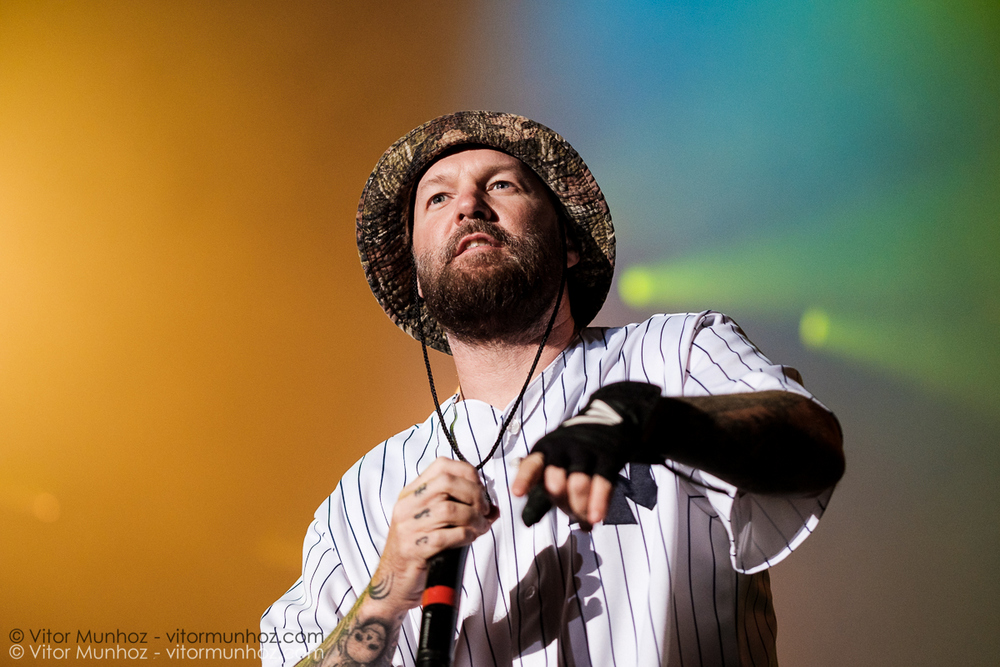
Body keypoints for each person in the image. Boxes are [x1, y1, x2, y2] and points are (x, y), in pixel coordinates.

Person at [260, 111, 844, 667]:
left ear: (568, 242)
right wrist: (386, 592)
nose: (468, 205)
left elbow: (814, 440)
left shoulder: (676, 353)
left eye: (502, 185)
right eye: (437, 198)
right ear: (415, 274)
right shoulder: (362, 496)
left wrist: (658, 421)